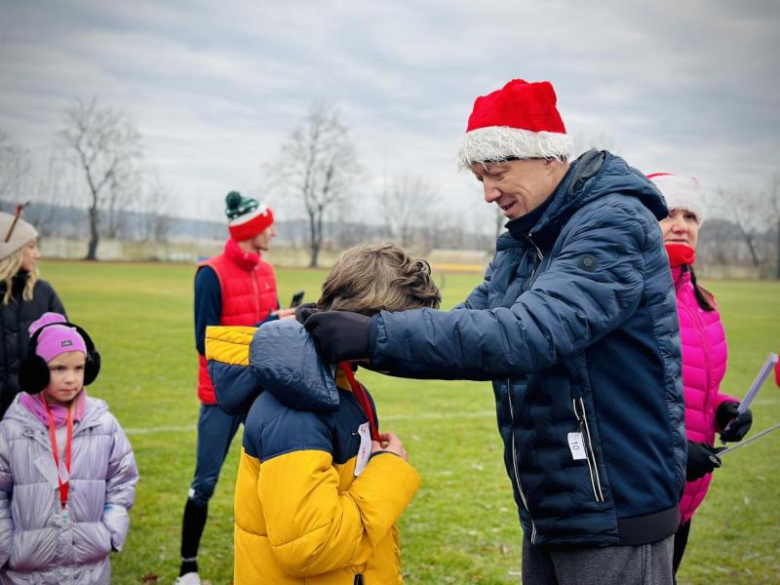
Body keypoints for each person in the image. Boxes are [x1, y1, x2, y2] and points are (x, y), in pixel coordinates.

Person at [304, 80, 686, 585]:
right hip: (555, 504)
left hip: (616, 505)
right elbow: (465, 335)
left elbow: (527, 333)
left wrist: (371, 338)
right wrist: (348, 325)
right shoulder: (524, 241)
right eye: (480, 177)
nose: (488, 193)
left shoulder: (613, 223)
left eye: (498, 173)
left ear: (547, 157)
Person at [205, 244, 439, 584]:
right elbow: (313, 547)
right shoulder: (295, 408)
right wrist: (389, 471)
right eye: (401, 335)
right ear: (364, 323)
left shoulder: (336, 381)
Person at [177, 191, 295, 585]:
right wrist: (265, 325)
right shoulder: (209, 273)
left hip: (261, 393)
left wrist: (280, 319)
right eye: (269, 226)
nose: (274, 233)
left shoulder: (267, 270)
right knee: (204, 483)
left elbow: (268, 327)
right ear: (251, 230)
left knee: (272, 480)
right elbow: (204, 340)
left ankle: (274, 559)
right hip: (218, 397)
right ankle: (188, 568)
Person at [649, 173, 753, 575]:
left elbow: (692, 386)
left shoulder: (702, 299)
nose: (680, 225)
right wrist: (674, 451)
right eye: (667, 214)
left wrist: (725, 409)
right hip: (645, 491)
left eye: (690, 216)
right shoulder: (630, 294)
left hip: (686, 494)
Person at [0, 312, 138, 584]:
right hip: (26, 572)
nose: (71, 379)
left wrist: (110, 530)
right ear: (37, 371)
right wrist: (6, 545)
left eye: (78, 368)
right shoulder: (13, 429)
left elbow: (123, 479)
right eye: (59, 368)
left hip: (89, 571)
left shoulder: (103, 424)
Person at [1, 207, 66, 419]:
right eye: (31, 247)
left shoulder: (43, 293)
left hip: (34, 416)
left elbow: (66, 350)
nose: (38, 254)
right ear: (10, 250)